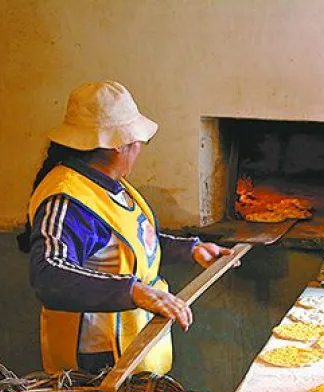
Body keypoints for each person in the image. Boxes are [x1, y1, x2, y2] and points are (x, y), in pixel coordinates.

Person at [21, 81, 235, 375]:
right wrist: (134, 291)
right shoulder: (67, 199)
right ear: (119, 146)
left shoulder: (108, 183)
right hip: (99, 352)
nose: (139, 149)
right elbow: (49, 273)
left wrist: (191, 249)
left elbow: (131, 238)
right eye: (138, 143)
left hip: (133, 335)